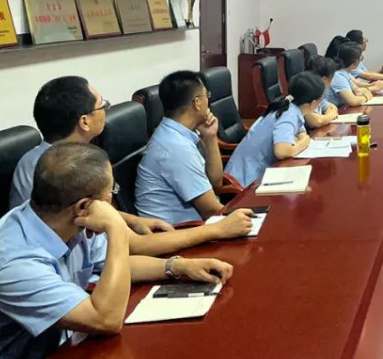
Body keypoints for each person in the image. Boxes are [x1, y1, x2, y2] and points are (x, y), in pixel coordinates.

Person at [0, 143, 233, 359]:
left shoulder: (66, 220)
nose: (112, 205)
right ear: (84, 206)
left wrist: (177, 266)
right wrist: (117, 228)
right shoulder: (14, 261)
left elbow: (117, 266)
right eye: (110, 195)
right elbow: (106, 319)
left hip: (66, 349)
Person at [10, 77, 252, 255]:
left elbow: (93, 213)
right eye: (102, 106)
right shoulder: (53, 169)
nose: (105, 111)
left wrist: (131, 220)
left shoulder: (73, 158)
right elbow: (131, 245)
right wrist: (218, 230)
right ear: (84, 122)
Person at [135, 71, 253, 229]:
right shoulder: (174, 147)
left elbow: (216, 182)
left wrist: (210, 137)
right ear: (197, 103)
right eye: (207, 96)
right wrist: (251, 219)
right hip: (179, 233)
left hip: (196, 224)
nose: (208, 101)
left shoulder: (176, 135)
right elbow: (210, 210)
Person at [225, 72, 324, 185]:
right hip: (245, 181)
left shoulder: (289, 106)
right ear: (314, 102)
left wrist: (302, 139)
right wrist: (304, 142)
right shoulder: (288, 114)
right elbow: (282, 151)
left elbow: (300, 132)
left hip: (255, 174)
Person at [326, 43, 376, 108]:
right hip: (330, 111)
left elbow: (357, 91)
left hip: (340, 108)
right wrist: (366, 97)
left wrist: (364, 91)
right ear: (356, 62)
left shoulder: (345, 72)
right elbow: (353, 101)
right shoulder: (338, 76)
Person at [302, 56, 340, 128]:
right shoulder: (302, 94)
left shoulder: (317, 92)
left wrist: (325, 118)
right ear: (324, 79)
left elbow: (332, 107)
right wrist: (331, 116)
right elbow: (316, 122)